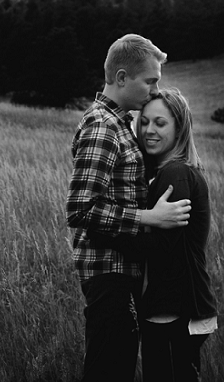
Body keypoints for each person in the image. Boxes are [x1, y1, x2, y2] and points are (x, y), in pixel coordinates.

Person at [66, 34, 192, 382]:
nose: (154, 91)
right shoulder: (102, 127)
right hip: (109, 275)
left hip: (122, 272)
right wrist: (147, 217)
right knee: (107, 371)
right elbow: (80, 210)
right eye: (150, 81)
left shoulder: (118, 124)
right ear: (122, 78)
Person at [92, 87, 217, 382]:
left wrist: (106, 231)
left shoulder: (176, 173)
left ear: (179, 128)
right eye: (144, 122)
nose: (149, 130)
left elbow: (162, 246)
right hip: (167, 306)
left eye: (160, 123)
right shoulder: (164, 173)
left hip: (175, 309)